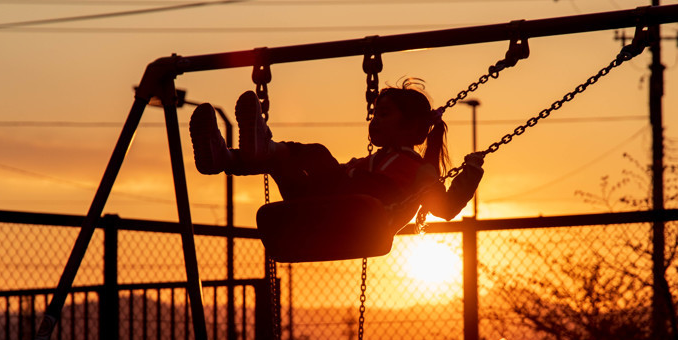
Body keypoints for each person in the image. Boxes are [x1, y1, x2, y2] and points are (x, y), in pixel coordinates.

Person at [189, 81, 484, 231]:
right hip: (325, 208)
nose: (375, 121)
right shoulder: (371, 161)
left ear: (410, 125)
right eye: (375, 114)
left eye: (384, 114)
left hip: (364, 214)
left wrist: (469, 172)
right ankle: (225, 159)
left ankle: (263, 146)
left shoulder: (421, 169)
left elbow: (445, 208)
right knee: (282, 163)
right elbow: (337, 176)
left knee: (317, 153)